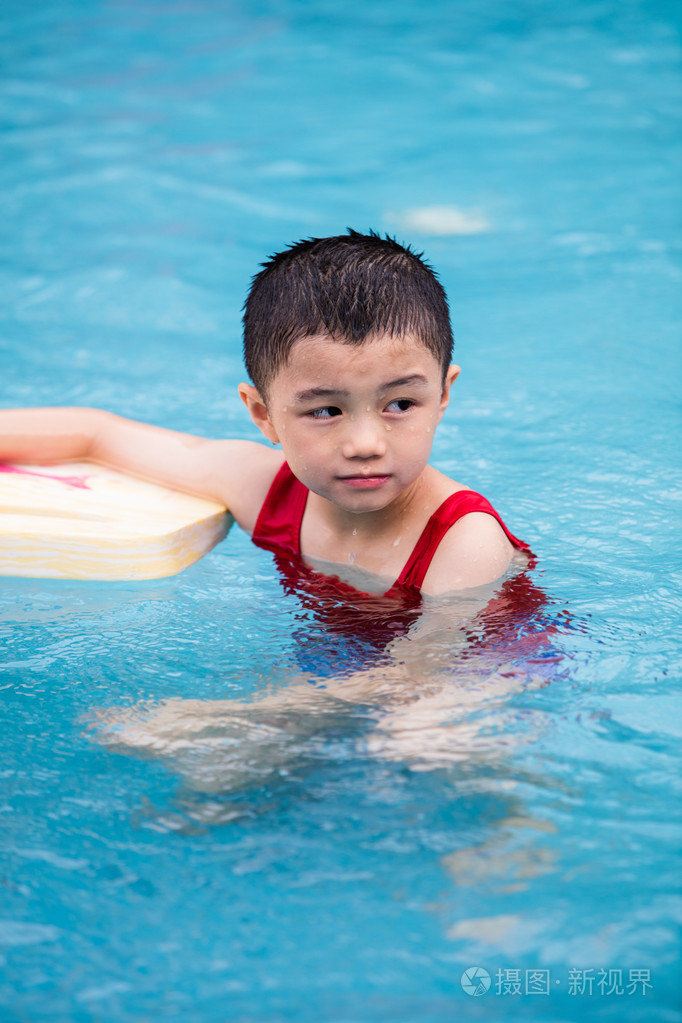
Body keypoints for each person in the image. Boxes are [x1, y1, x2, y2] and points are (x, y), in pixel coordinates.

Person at [0, 230, 531, 599]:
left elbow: (416, 687)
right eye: (325, 410)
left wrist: (240, 722)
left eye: (400, 404)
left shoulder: (463, 542)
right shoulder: (265, 491)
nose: (365, 442)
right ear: (263, 415)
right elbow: (97, 435)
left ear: (443, 397)